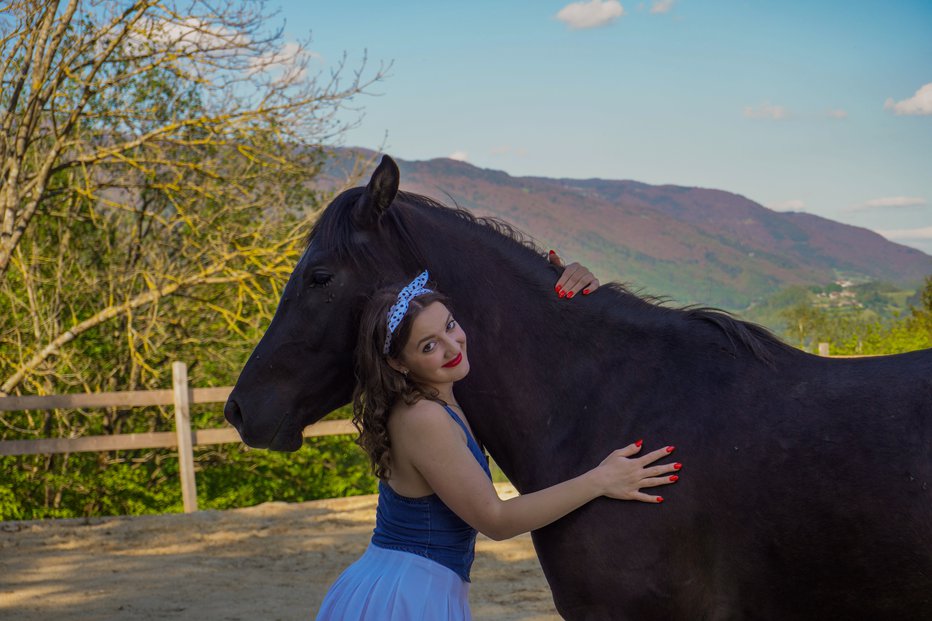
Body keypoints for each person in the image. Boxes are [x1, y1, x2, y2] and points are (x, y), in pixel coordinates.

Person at [315, 253, 681, 620]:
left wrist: (574, 289)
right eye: (428, 346)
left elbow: (521, 342)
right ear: (398, 363)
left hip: (413, 586)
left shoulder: (437, 396)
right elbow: (496, 520)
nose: (453, 346)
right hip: (408, 596)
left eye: (450, 325)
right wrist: (601, 480)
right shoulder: (423, 417)